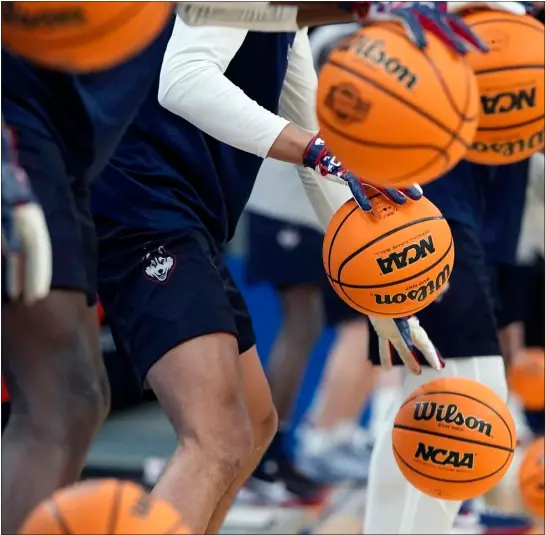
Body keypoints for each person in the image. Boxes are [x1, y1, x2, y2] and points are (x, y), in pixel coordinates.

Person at [91, 6, 485, 533]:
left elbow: (327, 159)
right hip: (139, 210)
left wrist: (387, 302)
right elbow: (183, 81)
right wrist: (318, 150)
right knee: (216, 435)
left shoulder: (287, 24)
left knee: (254, 424)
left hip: (186, 221)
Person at [245, 159, 375, 501]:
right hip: (284, 201)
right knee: (302, 324)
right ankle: (261, 457)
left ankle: (272, 453)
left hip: (312, 206)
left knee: (308, 324)